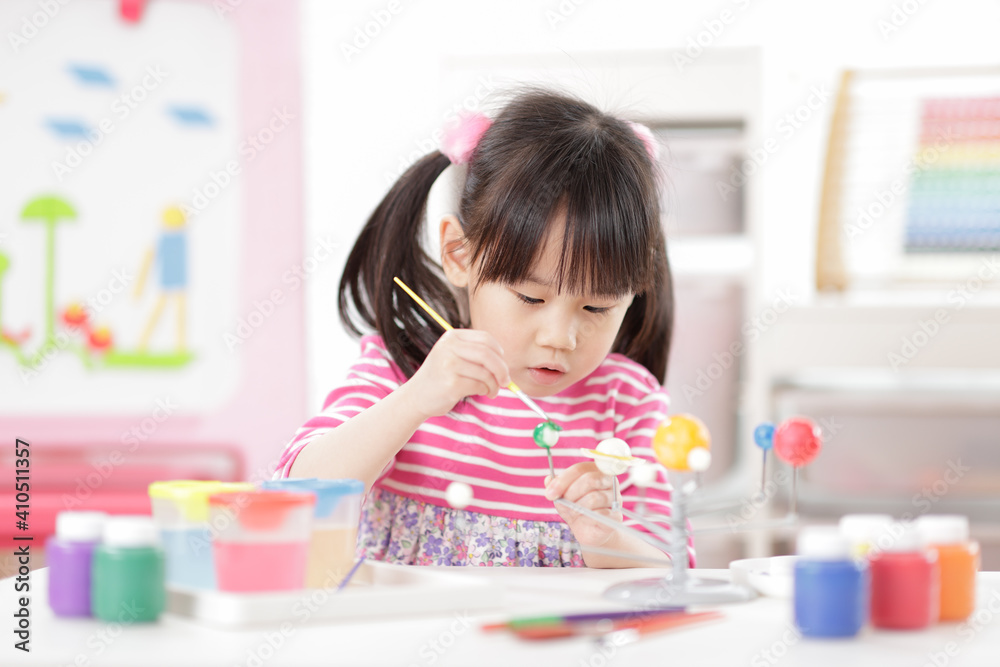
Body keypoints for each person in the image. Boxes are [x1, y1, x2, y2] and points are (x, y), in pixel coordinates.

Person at [276, 87, 692, 568]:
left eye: (597, 308)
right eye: (531, 297)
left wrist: (608, 539)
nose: (560, 337)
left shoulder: (625, 403)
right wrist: (416, 400)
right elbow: (296, 496)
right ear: (460, 255)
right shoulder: (405, 368)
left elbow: (672, 571)